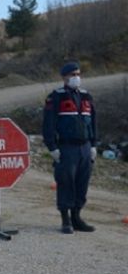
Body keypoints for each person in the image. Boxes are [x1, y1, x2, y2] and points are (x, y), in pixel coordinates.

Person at [42, 61, 96, 234]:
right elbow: (48, 124)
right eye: (72, 75)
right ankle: (66, 220)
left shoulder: (86, 96)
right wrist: (52, 147)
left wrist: (94, 144)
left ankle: (77, 217)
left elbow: (93, 122)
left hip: (85, 147)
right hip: (66, 147)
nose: (76, 78)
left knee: (82, 183)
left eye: (78, 74)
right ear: (64, 77)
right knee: (65, 182)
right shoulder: (56, 97)